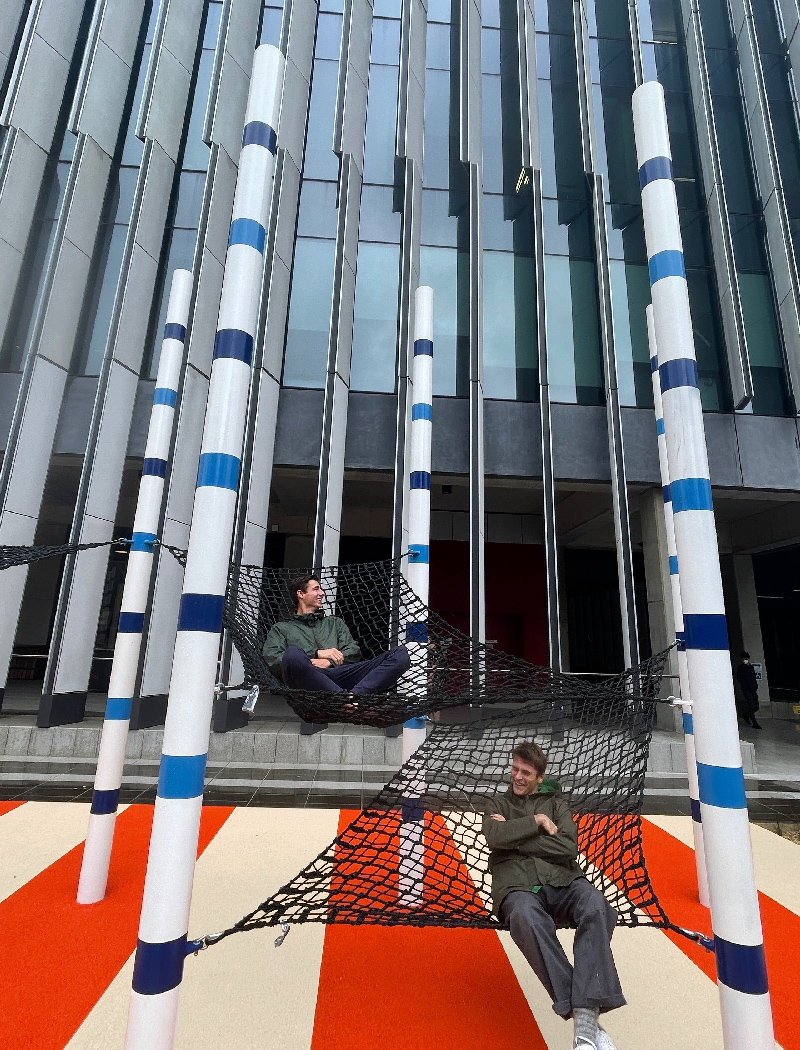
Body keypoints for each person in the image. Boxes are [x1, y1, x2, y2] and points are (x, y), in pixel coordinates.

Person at [483, 741, 623, 1050]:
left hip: (563, 881)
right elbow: (494, 836)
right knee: (524, 918)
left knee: (595, 903)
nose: (518, 777)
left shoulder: (557, 804)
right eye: (515, 769)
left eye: (526, 772)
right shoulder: (496, 803)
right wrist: (536, 823)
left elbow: (567, 848)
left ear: (539, 777)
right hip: (518, 887)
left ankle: (583, 1021)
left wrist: (515, 836)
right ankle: (586, 1023)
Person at [263, 573, 410, 697]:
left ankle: (351, 698)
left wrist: (329, 662)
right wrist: (316, 654)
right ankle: (344, 700)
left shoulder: (334, 623)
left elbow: (353, 651)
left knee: (400, 655)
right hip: (306, 683)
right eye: (316, 589)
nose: (322, 593)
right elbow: (274, 659)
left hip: (341, 675)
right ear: (301, 594)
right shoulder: (282, 628)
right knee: (293, 653)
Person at [736, 651, 762, 729]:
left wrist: (755, 686)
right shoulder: (741, 668)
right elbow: (739, 678)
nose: (745, 660)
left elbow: (753, 677)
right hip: (746, 689)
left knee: (756, 706)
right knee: (751, 704)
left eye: (746, 659)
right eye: (744, 659)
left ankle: (746, 715)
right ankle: (754, 722)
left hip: (753, 689)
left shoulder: (751, 667)